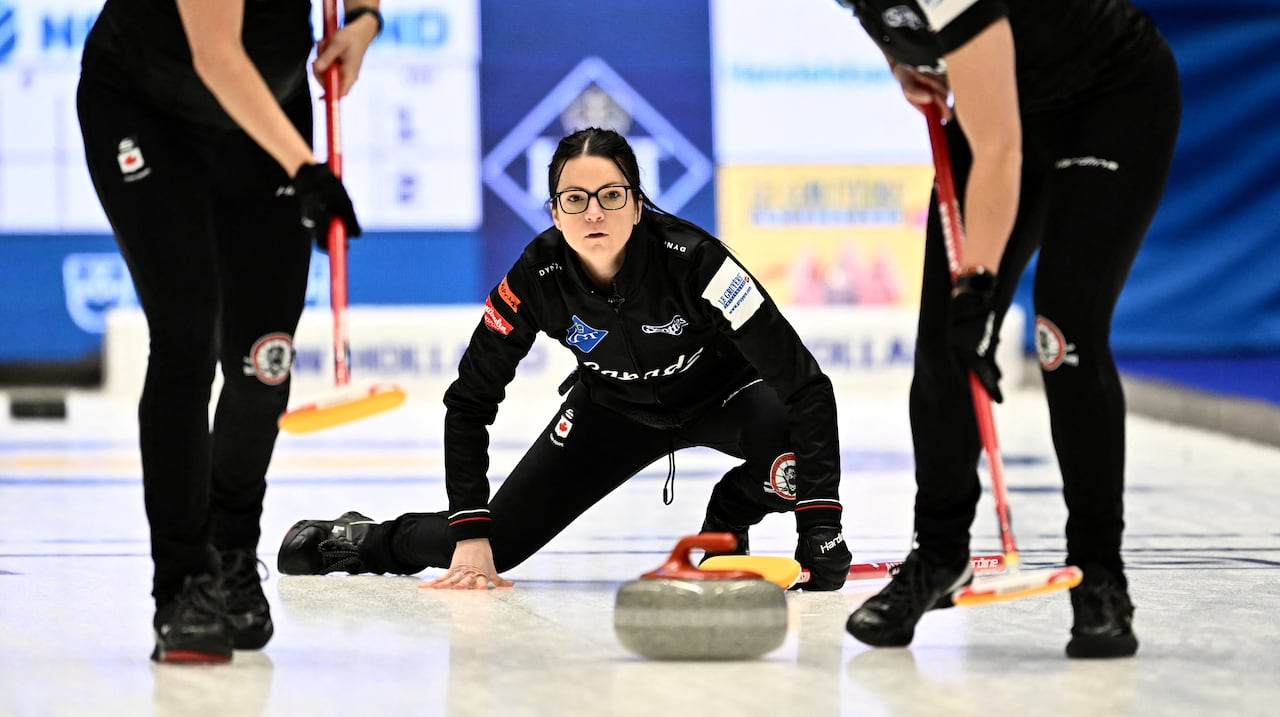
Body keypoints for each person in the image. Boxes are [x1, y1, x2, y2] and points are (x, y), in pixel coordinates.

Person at [276, 127, 853, 592]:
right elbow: (469, 402)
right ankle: (361, 540)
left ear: (637, 203)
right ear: (555, 212)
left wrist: (821, 526)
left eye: (610, 196)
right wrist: (472, 531)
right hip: (611, 412)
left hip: (721, 398)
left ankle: (728, 515)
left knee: (792, 461)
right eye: (574, 200)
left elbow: (807, 387)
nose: (593, 213)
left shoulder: (696, 261)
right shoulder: (537, 275)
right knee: (492, 547)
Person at [833, 0, 1180, 658]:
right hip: (1007, 104)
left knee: (1064, 332)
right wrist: (906, 61)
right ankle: (938, 554)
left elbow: (998, 149)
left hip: (1112, 101)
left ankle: (1099, 576)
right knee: (942, 343)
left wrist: (980, 290)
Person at [76, 0, 379, 663]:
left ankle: (232, 552)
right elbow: (216, 53)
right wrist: (305, 169)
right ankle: (184, 585)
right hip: (146, 104)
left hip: (265, 106)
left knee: (263, 359)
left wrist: (362, 20)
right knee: (186, 335)